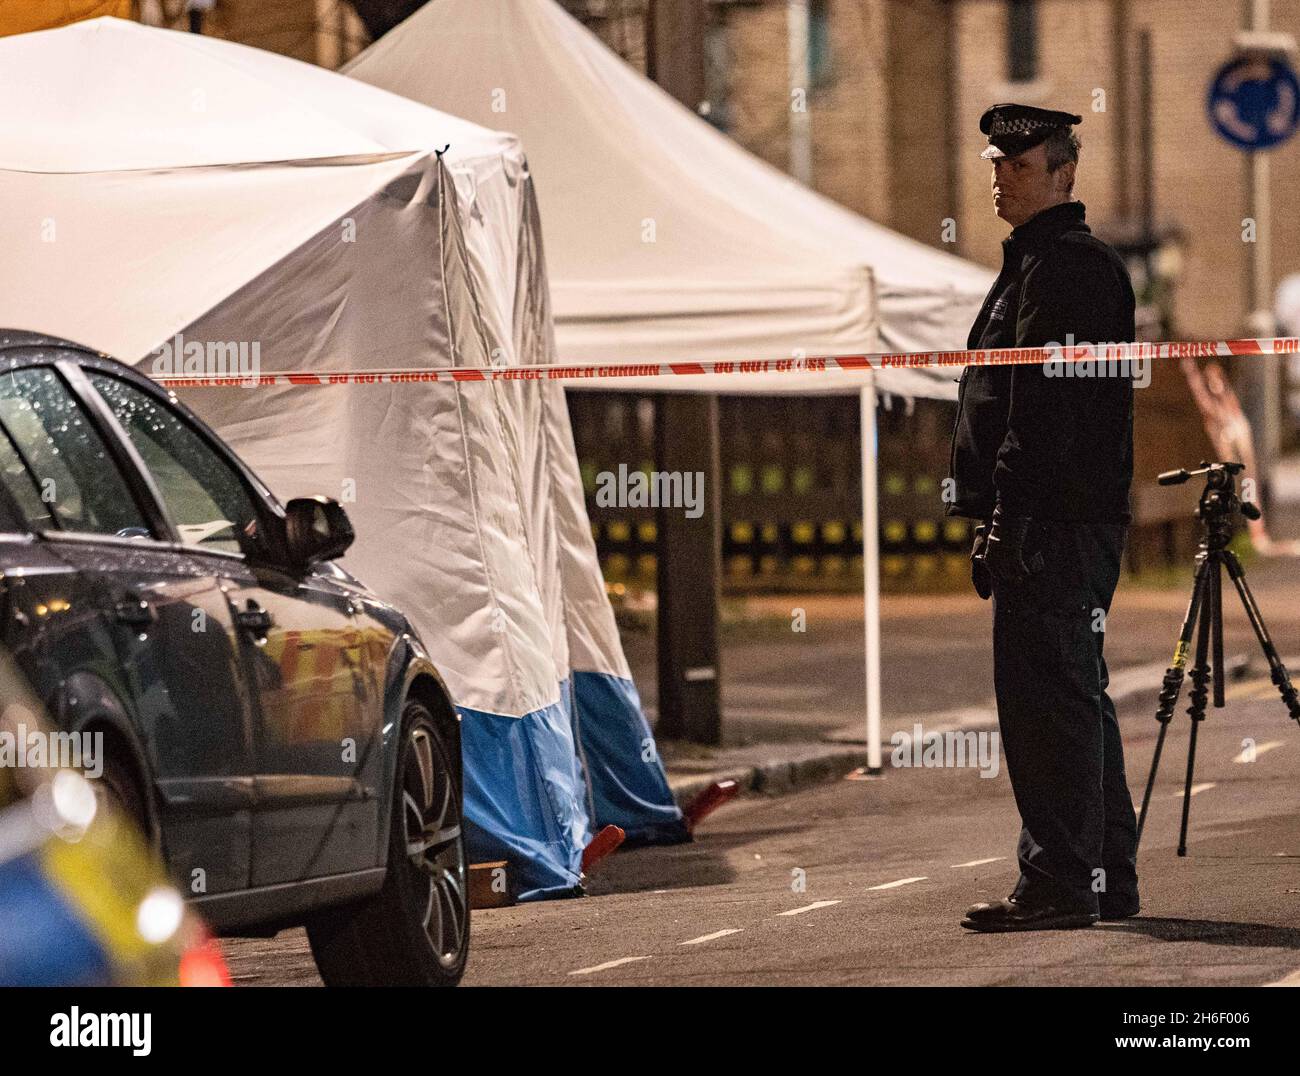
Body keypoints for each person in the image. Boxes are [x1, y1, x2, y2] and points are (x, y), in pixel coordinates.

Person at [949, 103, 1141, 932]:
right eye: (997, 165)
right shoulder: (1038, 262)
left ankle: (1063, 878)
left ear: (1063, 174)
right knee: (1072, 692)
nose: (1000, 178)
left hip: (1054, 521)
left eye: (1018, 167)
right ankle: (1100, 876)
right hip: (1054, 517)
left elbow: (1043, 410)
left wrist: (1006, 520)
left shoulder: (1065, 266)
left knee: (1046, 700)